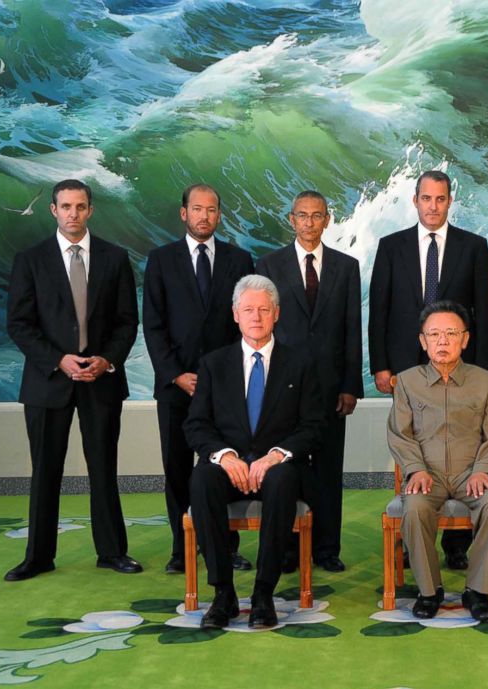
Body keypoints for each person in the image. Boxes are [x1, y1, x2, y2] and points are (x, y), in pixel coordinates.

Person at [4, 179, 141, 581]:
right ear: (53, 210)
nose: (73, 214)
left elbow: (126, 322)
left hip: (101, 379)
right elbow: (19, 324)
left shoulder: (115, 258)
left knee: (103, 467)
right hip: (48, 381)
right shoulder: (30, 260)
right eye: (65, 206)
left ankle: (113, 551)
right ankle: (38, 557)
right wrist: (58, 360)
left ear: (91, 210)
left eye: (80, 206)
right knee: (45, 470)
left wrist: (107, 359)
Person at [369, 169, 488, 568]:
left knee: (460, 446)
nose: (433, 206)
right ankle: (413, 540)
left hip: (459, 368)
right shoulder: (391, 247)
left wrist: (484, 373)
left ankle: (457, 546)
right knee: (413, 449)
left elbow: (484, 313)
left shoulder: (473, 247)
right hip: (405, 369)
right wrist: (381, 365)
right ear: (415, 201)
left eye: (440, 199)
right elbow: (380, 310)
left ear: (449, 202)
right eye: (427, 199)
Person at [184, 275, 324, 628]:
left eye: (264, 309)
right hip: (230, 468)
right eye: (248, 309)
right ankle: (223, 593)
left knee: (281, 480)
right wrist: (224, 456)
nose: (256, 317)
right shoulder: (214, 364)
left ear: (276, 313)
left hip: (276, 469)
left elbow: (314, 426)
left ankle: (263, 593)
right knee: (202, 478)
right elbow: (196, 425)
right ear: (235, 314)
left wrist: (276, 454)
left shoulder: (301, 363)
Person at [142, 183, 256, 574]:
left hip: (225, 389)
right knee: (176, 468)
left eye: (211, 210)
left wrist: (220, 379)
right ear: (183, 213)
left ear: (219, 215)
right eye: (197, 209)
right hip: (176, 386)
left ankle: (227, 545)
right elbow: (153, 326)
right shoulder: (160, 260)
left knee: (225, 466)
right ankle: (181, 547)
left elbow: (247, 326)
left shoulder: (240, 260)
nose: (204, 216)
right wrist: (176, 375)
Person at [256, 191, 362, 573]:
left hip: (333, 387)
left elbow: (353, 330)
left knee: (329, 470)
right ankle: (285, 549)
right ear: (291, 219)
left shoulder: (347, 267)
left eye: (317, 216)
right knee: (285, 469)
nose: (309, 223)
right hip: (284, 388)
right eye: (303, 215)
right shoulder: (268, 265)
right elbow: (262, 328)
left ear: (327, 220)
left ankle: (326, 549)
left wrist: (351, 385)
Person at [388, 301, 488, 622]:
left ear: (465, 339)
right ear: (422, 341)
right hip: (426, 476)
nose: (442, 342)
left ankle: (478, 591)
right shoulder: (406, 382)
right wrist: (415, 469)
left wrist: (483, 470)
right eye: (434, 334)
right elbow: (400, 434)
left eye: (450, 334)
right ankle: (430, 591)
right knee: (414, 508)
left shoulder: (484, 382)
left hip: (470, 475)